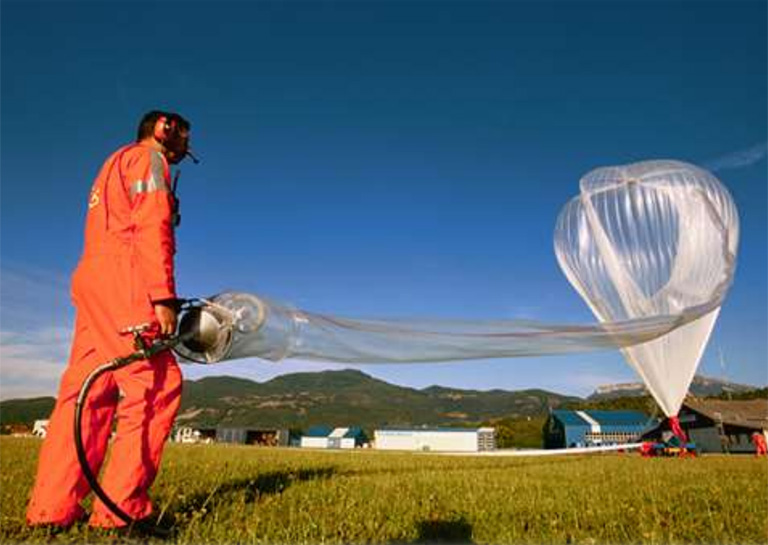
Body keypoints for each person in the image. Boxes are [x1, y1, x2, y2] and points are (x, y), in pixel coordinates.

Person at [26, 110, 193, 529]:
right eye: (183, 138)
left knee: (87, 389)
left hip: (93, 282)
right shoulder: (148, 161)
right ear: (164, 128)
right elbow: (152, 227)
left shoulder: (111, 165)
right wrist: (163, 295)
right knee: (154, 384)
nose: (184, 149)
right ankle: (121, 512)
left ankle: (51, 509)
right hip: (129, 279)